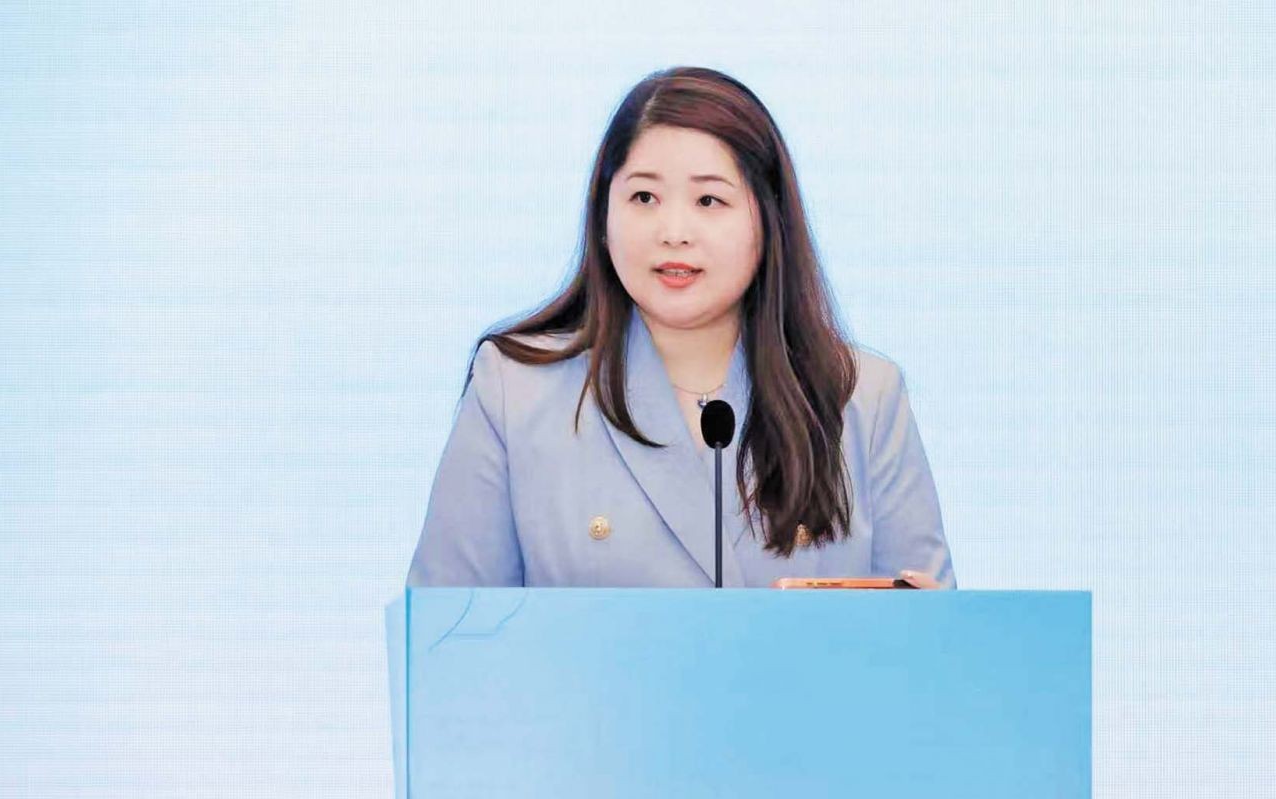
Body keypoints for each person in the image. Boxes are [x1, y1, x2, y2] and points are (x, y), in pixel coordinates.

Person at [407, 66, 954, 589]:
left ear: (769, 221)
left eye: (709, 200)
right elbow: (450, 631)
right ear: (603, 217)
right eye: (644, 197)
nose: (673, 232)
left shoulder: (860, 397)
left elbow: (935, 637)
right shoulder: (515, 391)